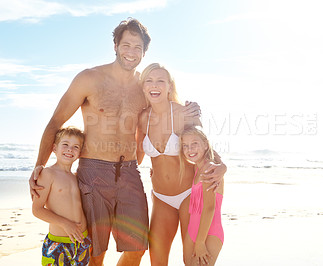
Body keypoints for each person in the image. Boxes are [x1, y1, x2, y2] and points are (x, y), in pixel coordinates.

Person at [29, 18, 199, 266]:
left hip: (129, 173)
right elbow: (55, 123)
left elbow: (162, 111)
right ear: (115, 45)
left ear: (144, 52)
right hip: (93, 173)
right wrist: (39, 168)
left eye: (137, 47)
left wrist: (189, 110)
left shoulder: (143, 85)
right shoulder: (89, 79)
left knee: (137, 248)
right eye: (126, 45)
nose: (131, 52)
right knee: (95, 253)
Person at [136, 63, 226, 265]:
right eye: (149, 80)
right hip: (161, 198)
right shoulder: (143, 119)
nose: (155, 85)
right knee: (157, 261)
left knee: (192, 260)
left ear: (169, 86)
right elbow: (137, 156)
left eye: (160, 81)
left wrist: (223, 166)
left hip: (188, 195)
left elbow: (204, 147)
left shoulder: (184, 113)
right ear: (143, 87)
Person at [32, 126, 91, 266]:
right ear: (54, 148)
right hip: (58, 244)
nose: (70, 149)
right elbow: (37, 209)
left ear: (80, 153)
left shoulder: (76, 177)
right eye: (65, 144)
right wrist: (66, 224)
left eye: (75, 147)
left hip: (81, 242)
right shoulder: (47, 174)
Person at [180, 127, 224, 266]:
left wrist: (200, 242)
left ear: (205, 144)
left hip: (209, 231)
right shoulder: (197, 167)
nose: (190, 149)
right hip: (193, 228)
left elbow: (210, 208)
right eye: (185, 146)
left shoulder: (209, 169)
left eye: (194, 144)